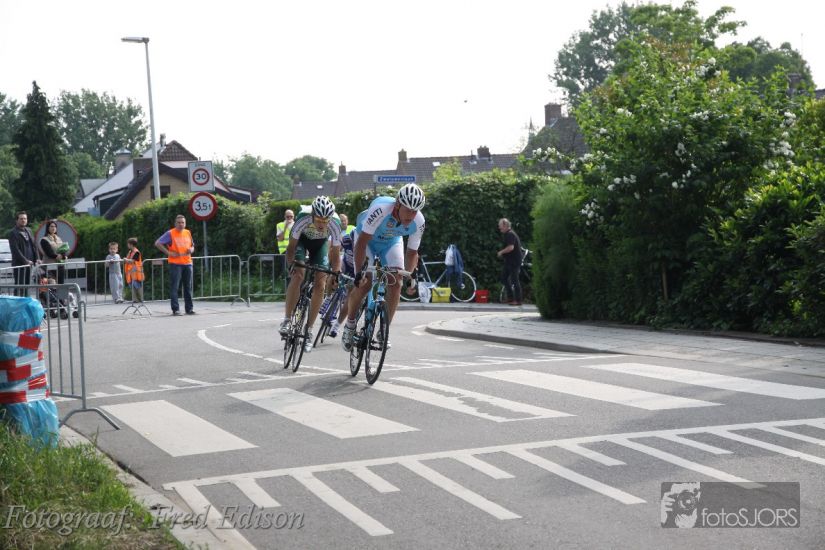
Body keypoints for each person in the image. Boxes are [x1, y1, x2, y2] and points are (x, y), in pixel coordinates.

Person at [341, 183, 426, 351]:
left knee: (396, 282)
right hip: (367, 241)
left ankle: (383, 330)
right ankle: (350, 326)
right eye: (408, 210)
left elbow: (412, 253)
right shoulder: (381, 210)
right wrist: (359, 273)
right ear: (398, 205)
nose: (411, 215)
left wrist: (410, 278)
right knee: (365, 283)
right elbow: (361, 243)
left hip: (391, 242)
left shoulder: (419, 221)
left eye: (415, 211)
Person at [279, 196, 342, 353]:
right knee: (298, 275)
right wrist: (291, 264)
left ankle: (309, 331)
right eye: (319, 220)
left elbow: (335, 254)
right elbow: (291, 247)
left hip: (320, 246)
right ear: (313, 215)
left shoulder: (335, 223)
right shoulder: (303, 217)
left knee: (320, 284)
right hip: (301, 242)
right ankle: (287, 320)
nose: (322, 224)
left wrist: (336, 275)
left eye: (325, 221)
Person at [155, 214, 195, 316]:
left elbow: (192, 246)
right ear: (175, 223)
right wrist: (168, 253)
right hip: (176, 264)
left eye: (183, 222)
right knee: (175, 287)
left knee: (188, 287)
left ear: (185, 223)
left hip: (188, 263)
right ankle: (176, 309)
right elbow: (158, 243)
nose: (181, 224)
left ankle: (189, 309)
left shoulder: (188, 232)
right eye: (179, 222)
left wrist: (191, 250)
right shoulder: (170, 233)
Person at [329, 225, 355, 338]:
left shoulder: (368, 245)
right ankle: (328, 297)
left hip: (356, 271)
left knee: (350, 297)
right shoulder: (346, 239)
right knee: (334, 272)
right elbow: (335, 251)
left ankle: (337, 325)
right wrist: (335, 267)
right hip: (345, 264)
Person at [7, 211, 41, 296]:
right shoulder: (13, 233)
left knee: (27, 286)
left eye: (25, 218)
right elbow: (15, 250)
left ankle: (25, 302)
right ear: (17, 220)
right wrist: (25, 261)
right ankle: (17, 303)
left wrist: (37, 258)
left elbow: (34, 245)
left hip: (30, 264)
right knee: (20, 286)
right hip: (19, 265)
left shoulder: (29, 230)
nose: (23, 220)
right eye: (21, 219)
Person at [497, 218, 523, 306]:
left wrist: (501, 252)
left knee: (514, 280)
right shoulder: (508, 234)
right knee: (504, 278)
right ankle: (510, 297)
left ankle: (518, 300)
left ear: (505, 225)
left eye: (500, 225)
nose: (499, 227)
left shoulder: (510, 234)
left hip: (514, 261)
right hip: (509, 261)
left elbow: (511, 247)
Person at [39, 219, 67, 285]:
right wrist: (57, 256)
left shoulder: (59, 238)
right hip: (48, 266)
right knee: (49, 285)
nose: (53, 228)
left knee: (60, 284)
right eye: (51, 226)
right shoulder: (44, 239)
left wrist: (63, 256)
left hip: (59, 265)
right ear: (48, 228)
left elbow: (63, 249)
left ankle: (60, 292)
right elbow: (49, 252)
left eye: (55, 226)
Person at [123, 237, 144, 303]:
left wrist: (126, 260)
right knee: (131, 286)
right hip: (131, 273)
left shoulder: (136, 252)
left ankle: (141, 299)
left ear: (131, 244)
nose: (127, 245)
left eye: (128, 244)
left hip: (136, 272)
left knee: (137, 286)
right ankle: (135, 299)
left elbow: (132, 261)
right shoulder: (130, 252)